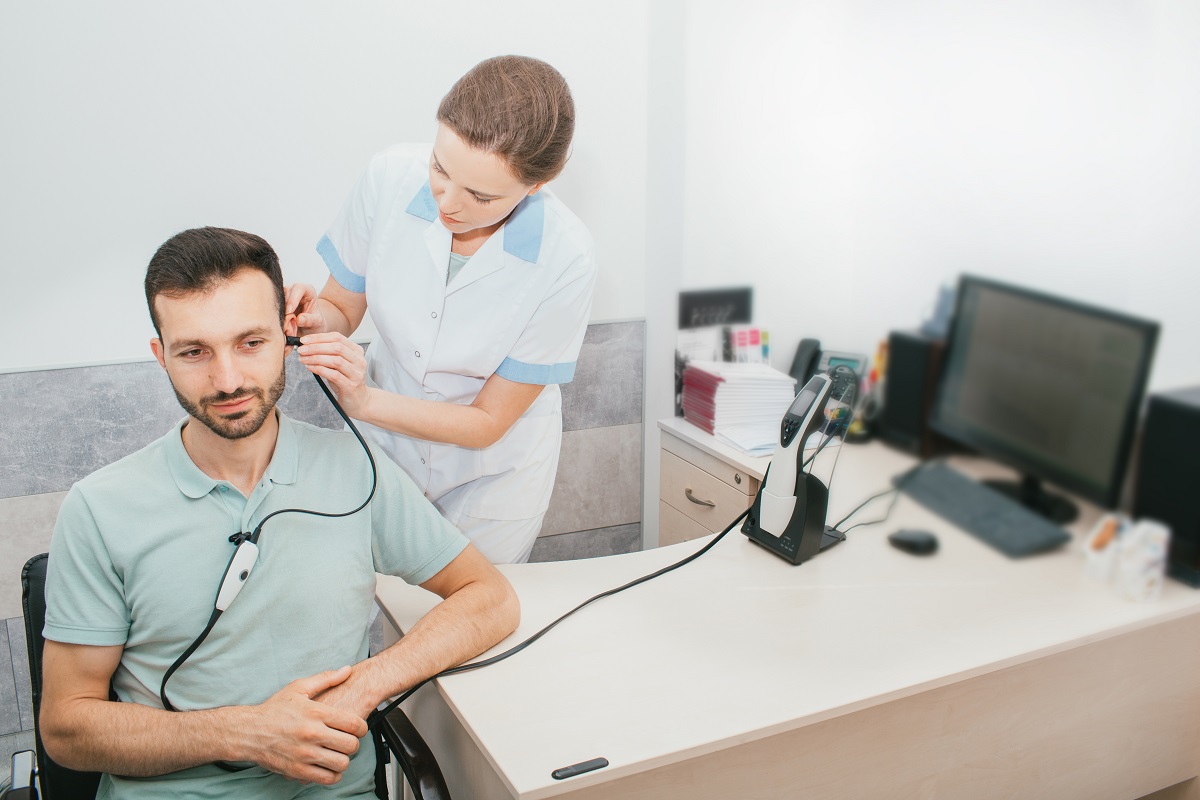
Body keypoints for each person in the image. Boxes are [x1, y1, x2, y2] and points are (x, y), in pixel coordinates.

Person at [39, 227, 520, 799]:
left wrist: (360, 690)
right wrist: (244, 734)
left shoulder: (355, 469)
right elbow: (67, 728)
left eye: (251, 343)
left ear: (288, 338)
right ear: (159, 355)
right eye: (194, 352)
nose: (228, 380)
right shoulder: (99, 508)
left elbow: (489, 597)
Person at [287, 55, 596, 565]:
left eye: (480, 194)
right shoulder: (387, 177)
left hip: (492, 475)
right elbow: (340, 305)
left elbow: (487, 422)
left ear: (538, 183)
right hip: (384, 450)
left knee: (466, 622)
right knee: (374, 604)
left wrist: (364, 403)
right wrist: (317, 321)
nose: (447, 202)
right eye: (439, 167)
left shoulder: (568, 257)